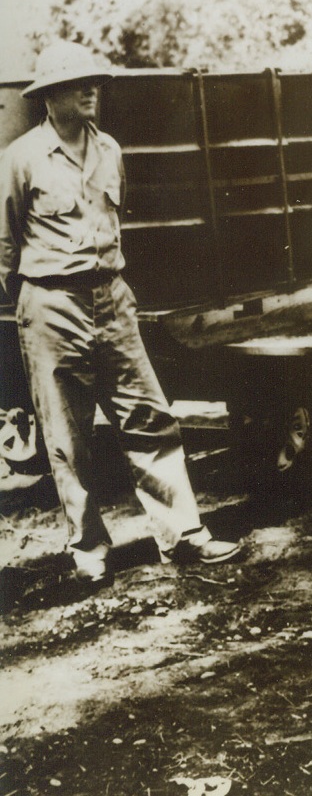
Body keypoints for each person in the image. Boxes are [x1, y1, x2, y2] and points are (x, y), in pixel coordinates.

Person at [0, 41, 242, 585]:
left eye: (95, 83)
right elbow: (5, 246)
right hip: (52, 304)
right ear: (51, 96)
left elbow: (116, 221)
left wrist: (110, 288)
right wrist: (34, 305)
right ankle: (88, 549)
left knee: (149, 416)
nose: (92, 91)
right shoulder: (19, 159)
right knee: (67, 435)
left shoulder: (109, 149)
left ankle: (184, 536)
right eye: (78, 84)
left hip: (112, 299)